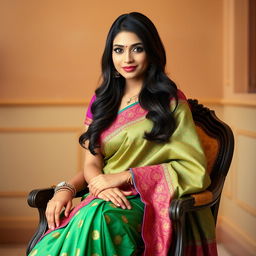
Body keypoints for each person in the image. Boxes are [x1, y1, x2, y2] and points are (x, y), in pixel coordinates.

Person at [28, 12, 217, 256]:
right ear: (110, 54)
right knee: (91, 216)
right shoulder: (101, 102)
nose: (127, 58)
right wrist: (83, 188)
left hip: (147, 200)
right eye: (119, 50)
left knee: (103, 217)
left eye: (137, 49)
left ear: (151, 52)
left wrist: (125, 177)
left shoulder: (169, 101)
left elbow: (192, 167)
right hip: (103, 195)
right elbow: (92, 163)